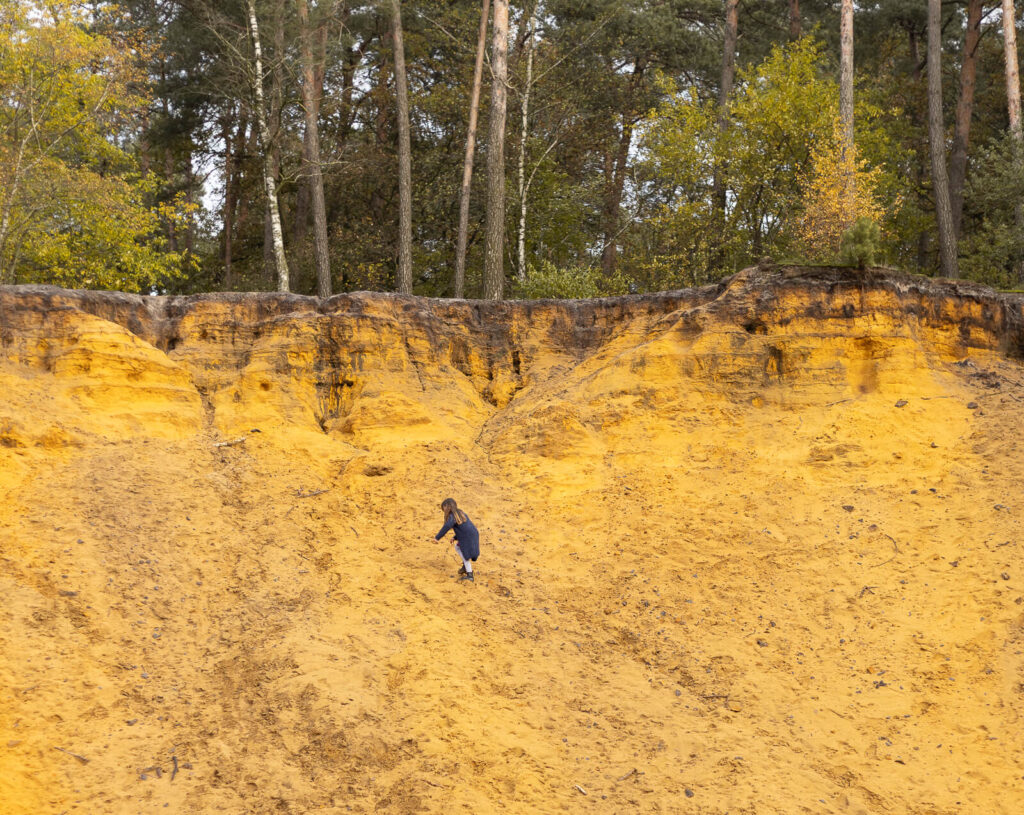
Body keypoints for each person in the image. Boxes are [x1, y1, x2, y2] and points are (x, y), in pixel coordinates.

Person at [433, 498, 479, 582]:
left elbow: (446, 527)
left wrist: (437, 537)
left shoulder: (452, 517)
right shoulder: (461, 513)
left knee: (465, 555)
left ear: (447, 507)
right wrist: (455, 537)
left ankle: (469, 574)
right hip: (473, 534)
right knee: (458, 548)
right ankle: (466, 567)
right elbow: (464, 529)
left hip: (467, 538)